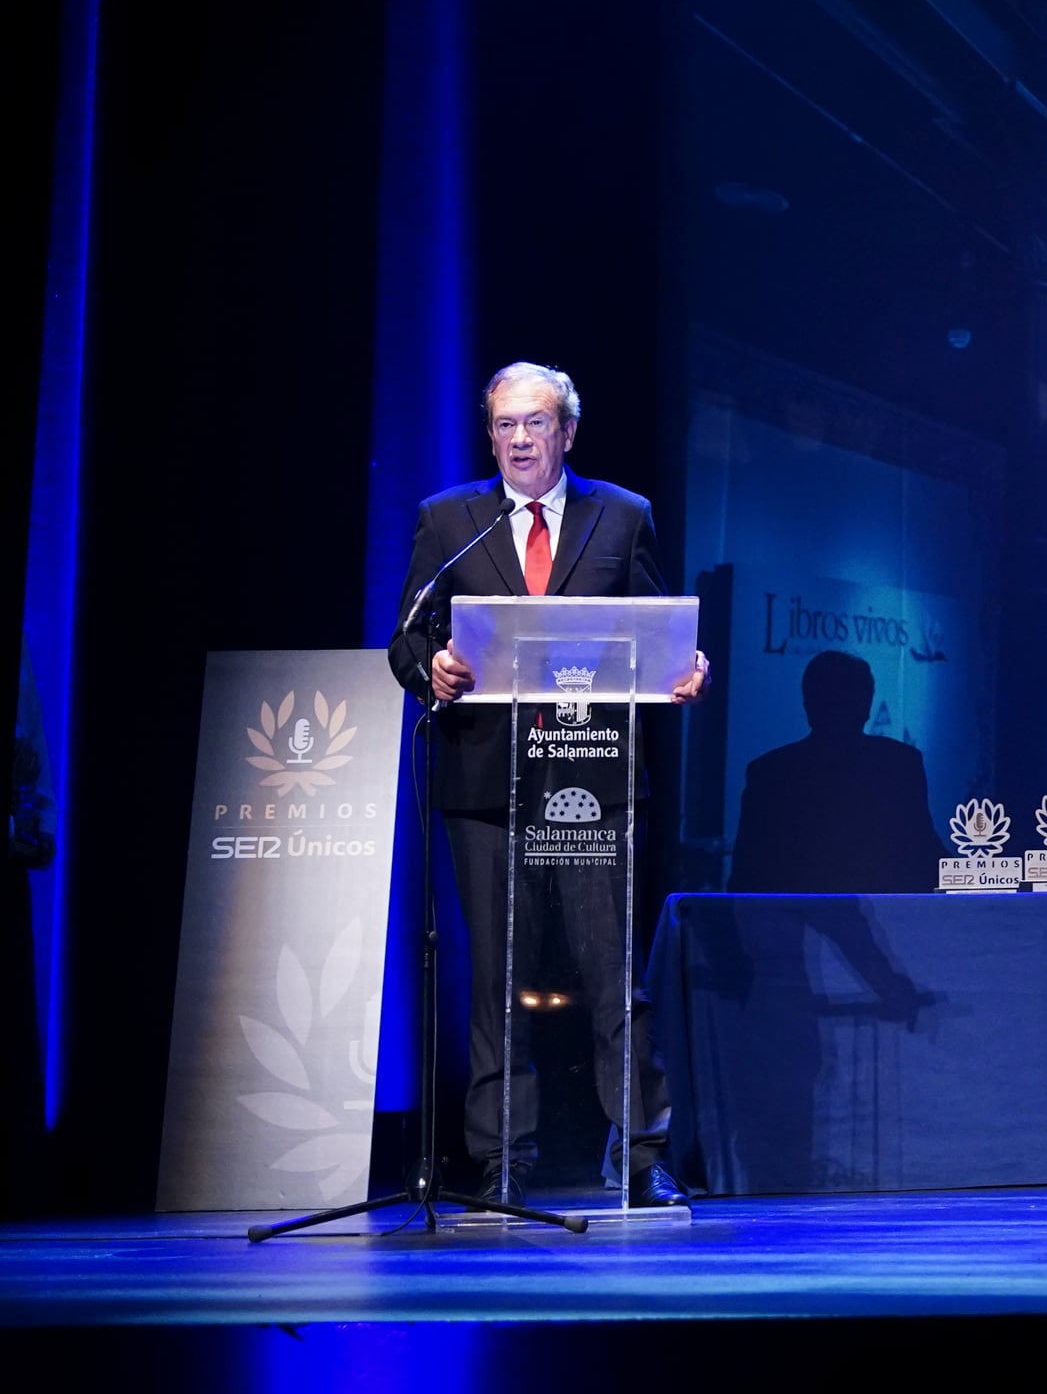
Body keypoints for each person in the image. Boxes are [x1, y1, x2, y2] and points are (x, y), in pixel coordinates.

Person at [385, 361, 705, 1208]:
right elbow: (405, 643)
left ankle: (640, 1153)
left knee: (612, 978)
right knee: (497, 980)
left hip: (593, 779)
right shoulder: (447, 519)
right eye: (503, 426)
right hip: (487, 787)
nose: (518, 440)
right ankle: (502, 1162)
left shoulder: (622, 515)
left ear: (567, 430)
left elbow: (651, 631)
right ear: (490, 434)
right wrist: (435, 671)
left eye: (534, 423)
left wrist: (682, 671)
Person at [729, 650, 938, 894]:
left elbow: (745, 877)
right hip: (807, 924)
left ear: (807, 705)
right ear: (866, 707)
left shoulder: (769, 772)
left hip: (800, 922)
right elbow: (923, 851)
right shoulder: (899, 764)